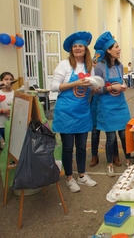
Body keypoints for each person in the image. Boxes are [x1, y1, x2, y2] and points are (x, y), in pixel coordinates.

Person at [51, 31, 97, 193]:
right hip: (66, 112)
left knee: (83, 147)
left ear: (85, 49)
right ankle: (70, 178)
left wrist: (94, 87)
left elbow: (90, 89)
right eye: (75, 46)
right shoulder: (64, 65)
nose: (78, 48)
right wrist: (75, 83)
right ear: (71, 49)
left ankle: (82, 175)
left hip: (83, 111)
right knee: (68, 148)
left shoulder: (89, 66)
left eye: (81, 46)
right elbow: (54, 86)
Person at [93, 31, 131, 177]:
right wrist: (110, 88)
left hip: (120, 105)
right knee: (111, 138)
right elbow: (96, 90)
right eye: (116, 47)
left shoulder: (120, 66)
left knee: (124, 135)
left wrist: (123, 85)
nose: (119, 49)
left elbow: (120, 82)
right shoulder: (100, 67)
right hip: (107, 107)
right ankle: (109, 165)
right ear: (108, 50)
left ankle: (128, 161)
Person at [0, 72, 15, 141]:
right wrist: (2, 111)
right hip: (1, 125)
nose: (9, 81)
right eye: (6, 79)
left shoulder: (16, 94)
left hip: (12, 125)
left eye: (11, 79)